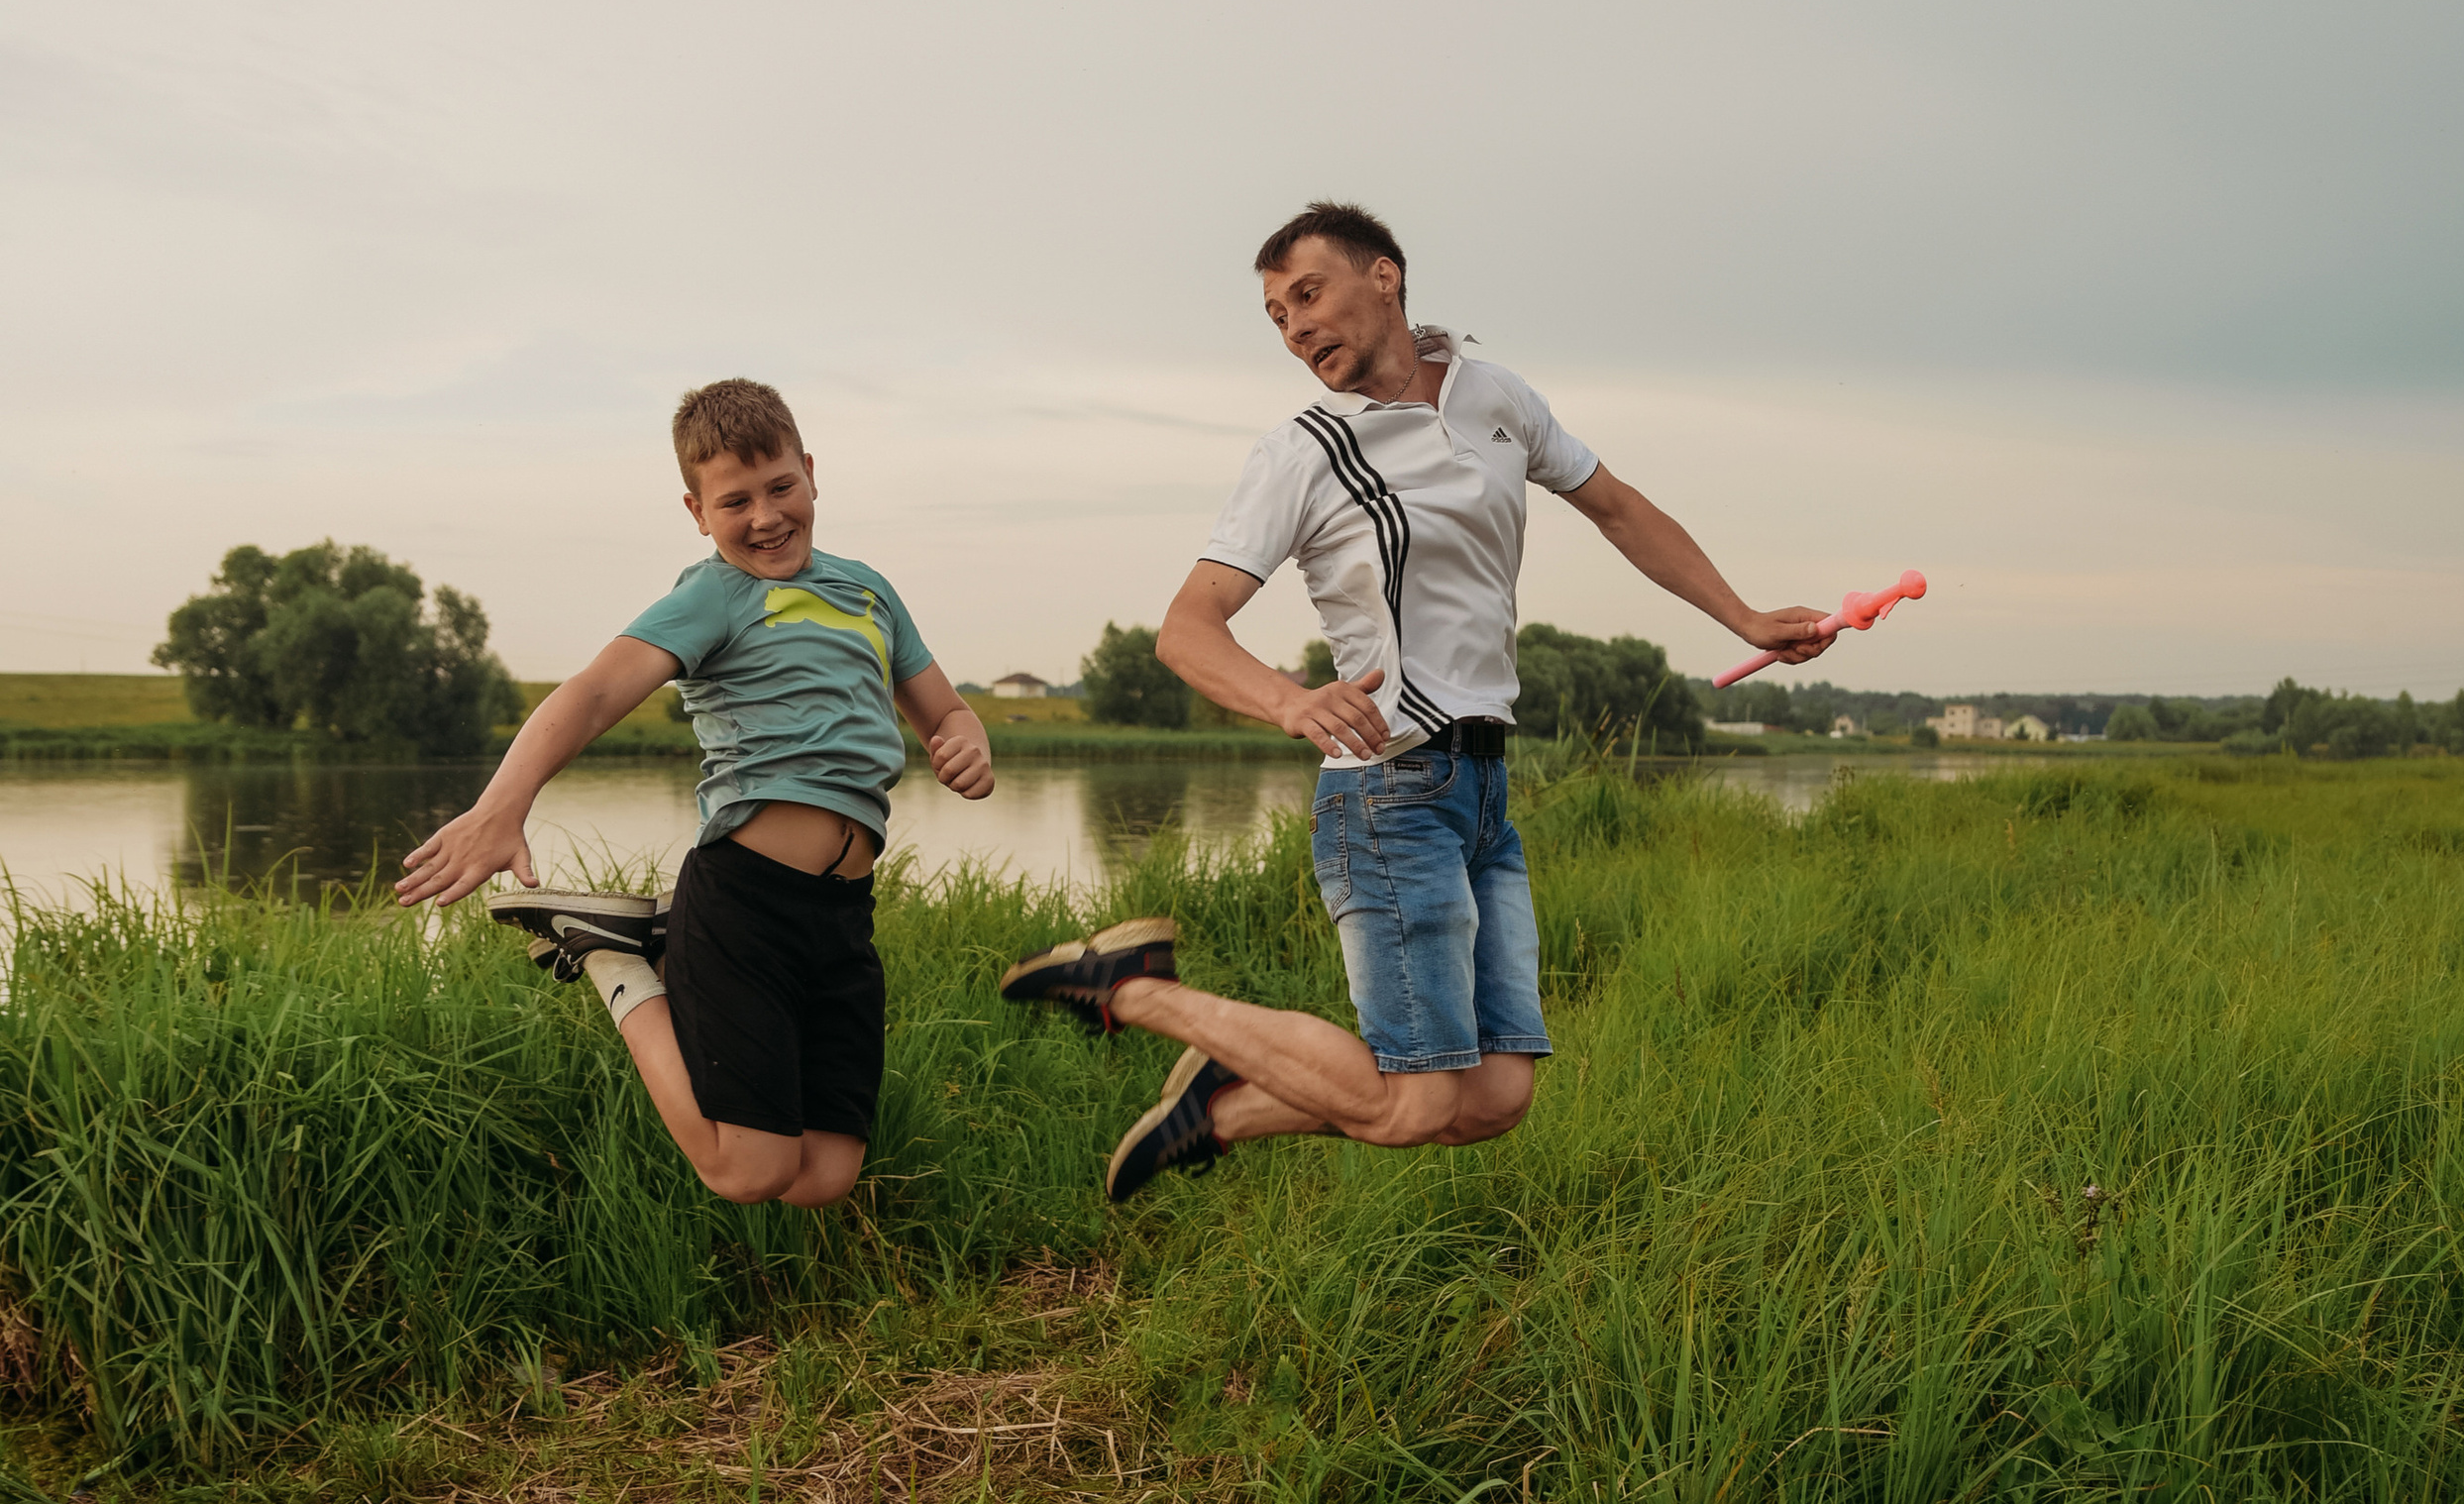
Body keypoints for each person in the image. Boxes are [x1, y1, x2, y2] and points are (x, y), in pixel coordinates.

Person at [1000, 203, 1833, 1200]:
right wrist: (1288, 702)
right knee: (1419, 1102)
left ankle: (1224, 1099)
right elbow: (1186, 629)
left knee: (1495, 1096)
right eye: (1275, 316)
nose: (1295, 328)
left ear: (1384, 276)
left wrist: (1739, 616)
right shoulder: (1305, 450)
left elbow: (1616, 508)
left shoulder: (1494, 397)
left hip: (1483, 785)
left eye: (1307, 295)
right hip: (1388, 789)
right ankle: (1134, 989)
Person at [395, 376, 992, 1209]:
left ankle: (642, 942)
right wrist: (503, 806)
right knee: (747, 1171)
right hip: (747, 898)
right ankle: (611, 958)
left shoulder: (869, 591)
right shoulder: (713, 595)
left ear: (812, 472)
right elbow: (596, 691)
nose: (765, 516)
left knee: (823, 1177)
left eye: (781, 486)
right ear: (696, 510)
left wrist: (965, 743)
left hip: (843, 915)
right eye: (734, 500)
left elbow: (945, 710)